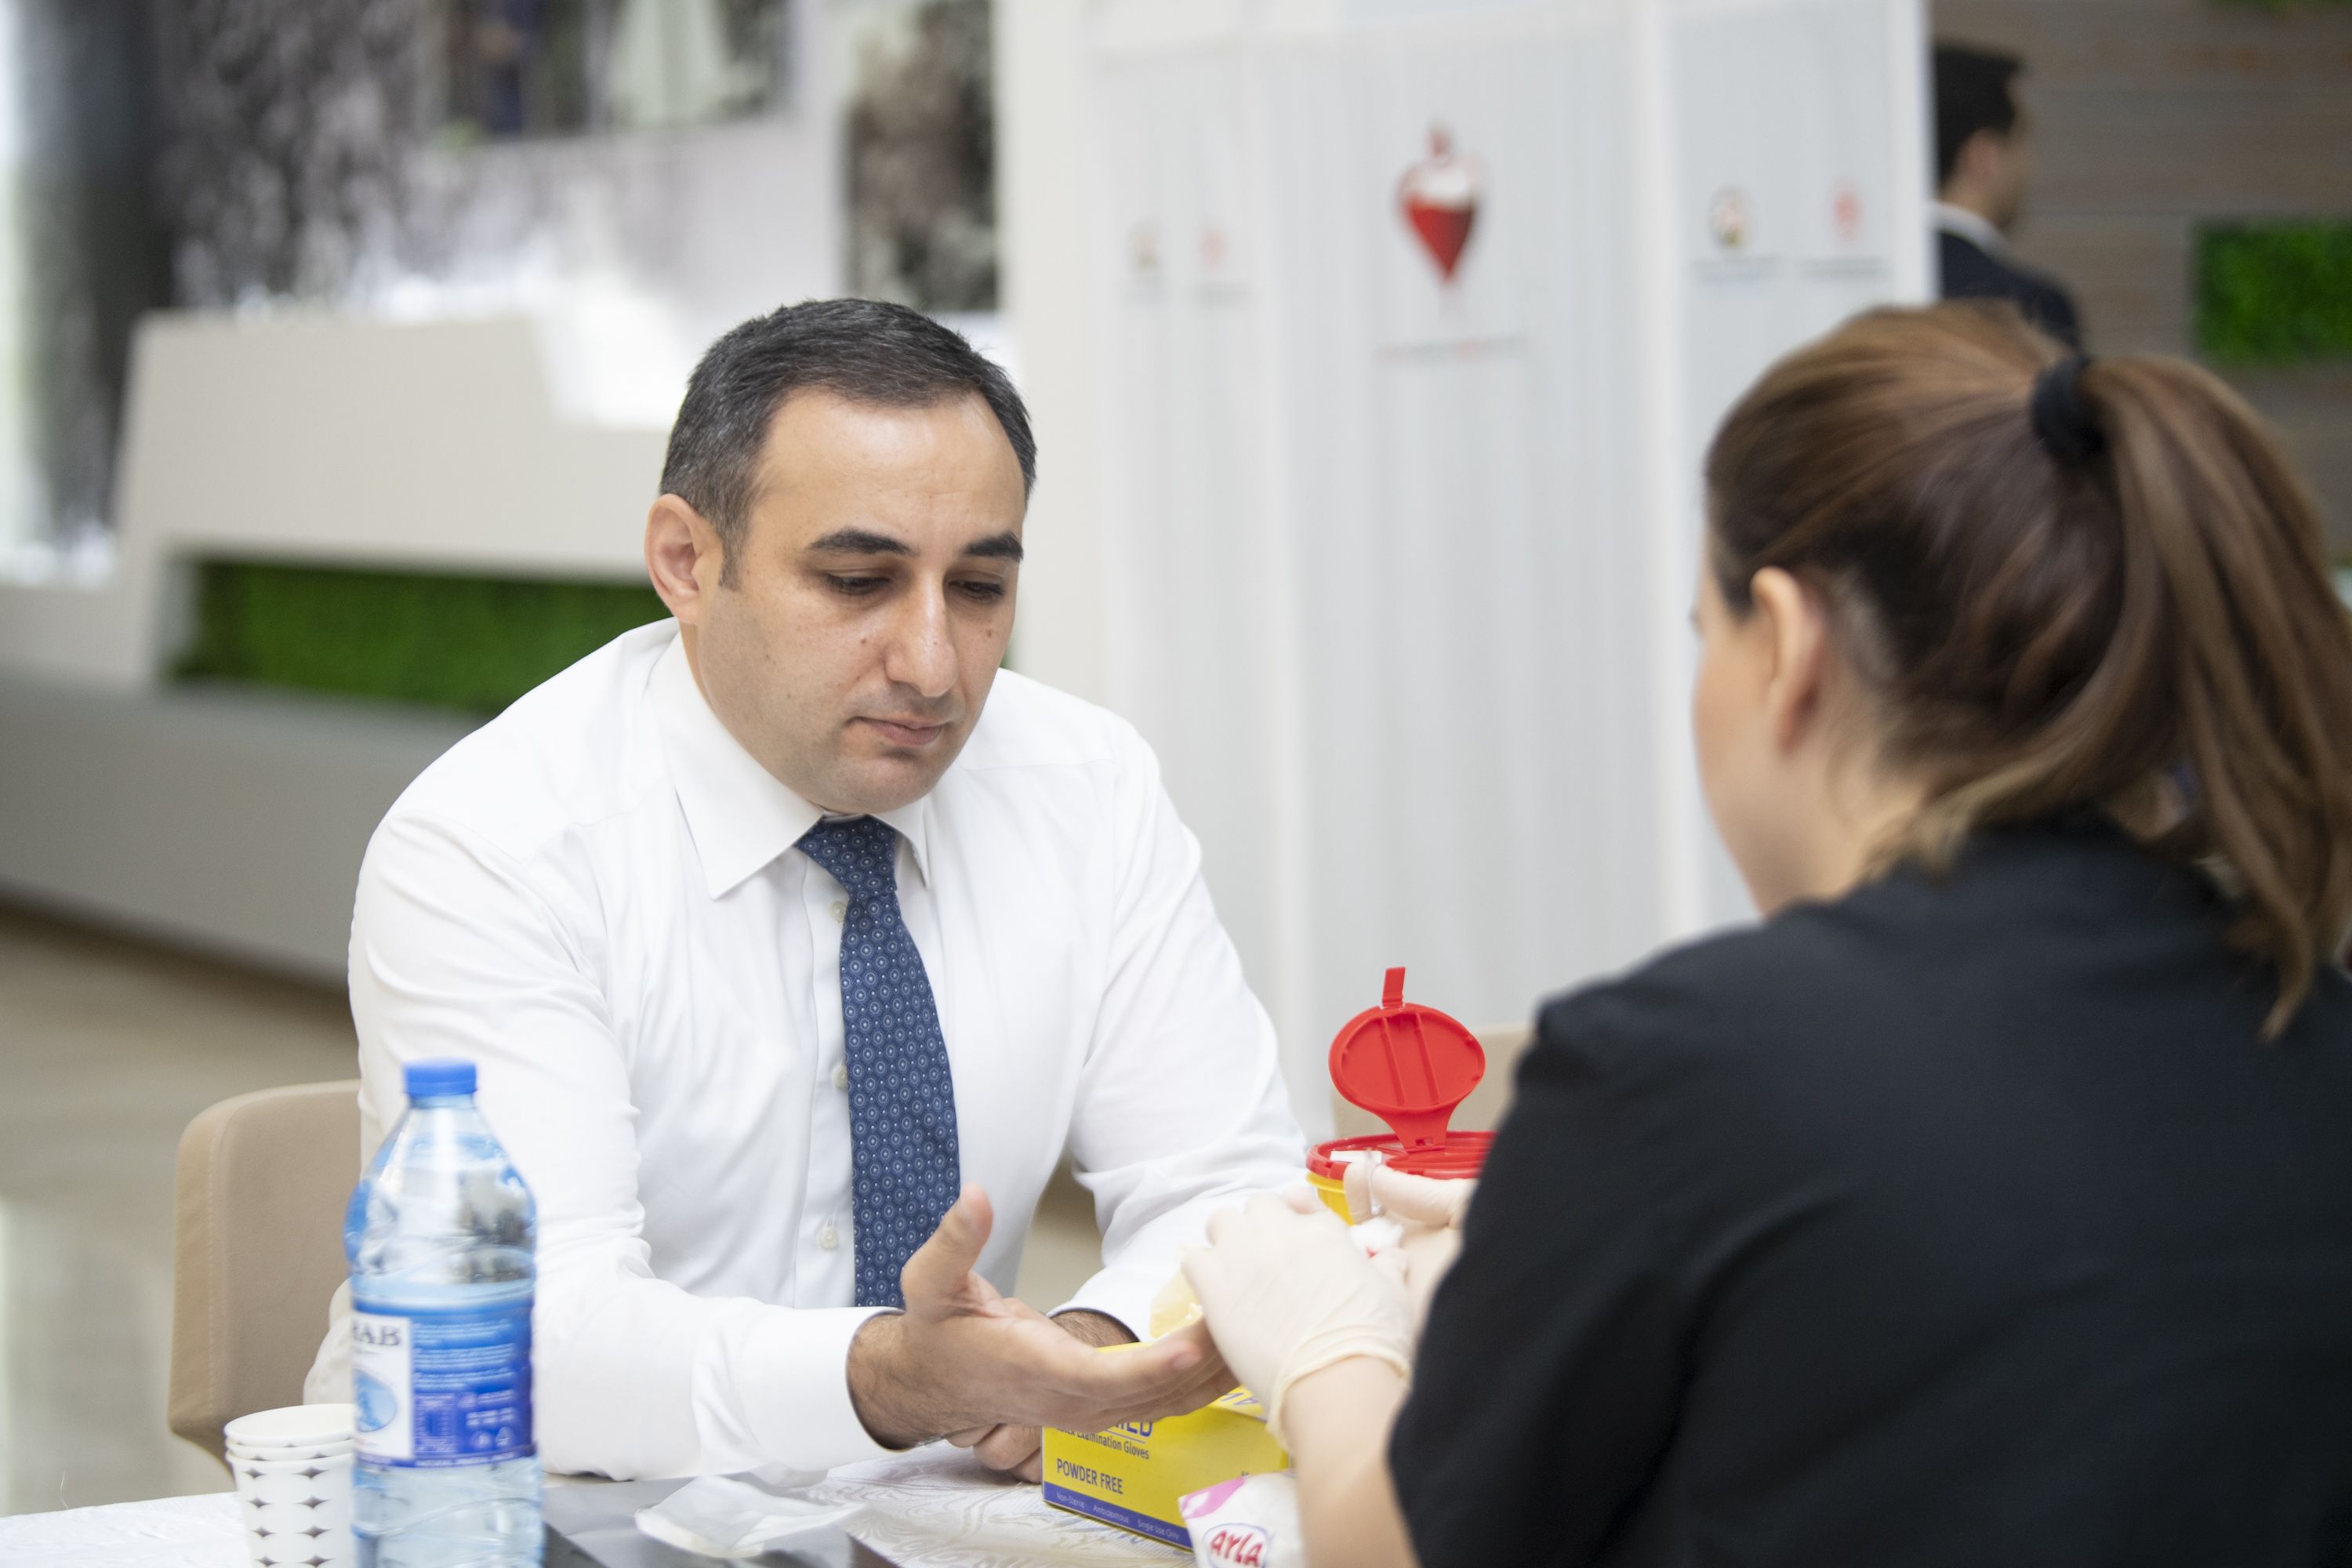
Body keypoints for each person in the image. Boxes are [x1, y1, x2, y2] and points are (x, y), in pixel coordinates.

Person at [1182, 303, 2352, 1566]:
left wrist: (1329, 1351)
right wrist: (1557, 1251)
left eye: (1707, 634)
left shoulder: (1680, 1067)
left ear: (1789, 646)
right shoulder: (2307, 1023)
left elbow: (1402, 1550)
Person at [305, 299, 1305, 1482]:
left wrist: (1085, 1346)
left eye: (979, 588)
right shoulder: (496, 843)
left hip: (930, 1509)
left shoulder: (1085, 788)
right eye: (857, 580)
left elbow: (1234, 1189)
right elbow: (529, 1336)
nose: (932, 665)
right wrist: (884, 1378)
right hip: (527, 1510)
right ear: (686, 562)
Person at [1934, 42, 2082, 349]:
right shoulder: (2027, 306)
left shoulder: (1863, 291)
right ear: (1983, 157)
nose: (2029, 166)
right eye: (2020, 141)